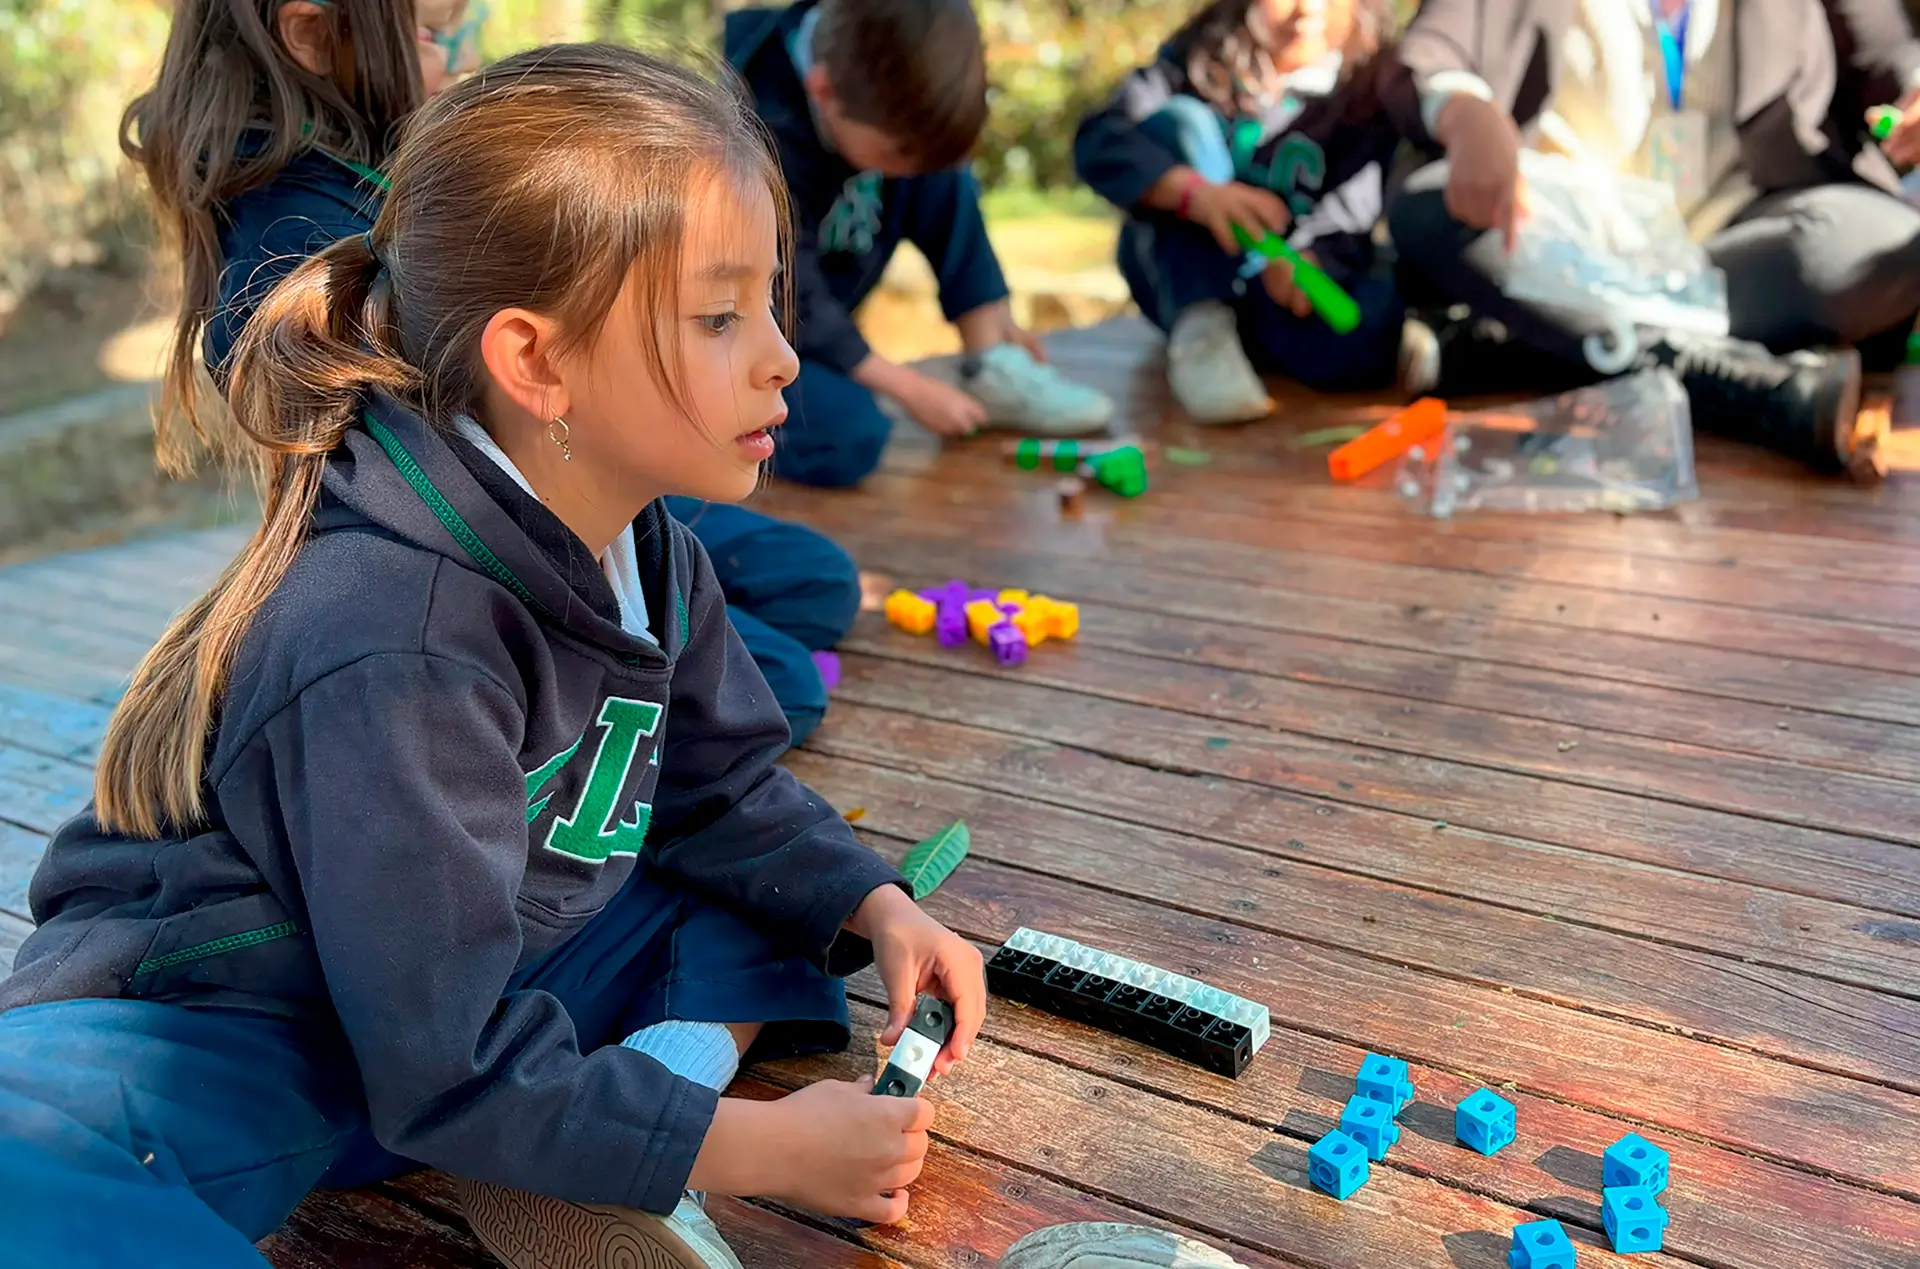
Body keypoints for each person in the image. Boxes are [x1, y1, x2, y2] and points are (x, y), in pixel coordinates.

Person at [0, 44, 987, 1269]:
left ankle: (606, 1133)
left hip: (473, 976)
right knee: (28, 1171)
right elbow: (436, 1058)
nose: (783, 355)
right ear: (538, 363)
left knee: (763, 890)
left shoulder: (652, 548)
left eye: (772, 304)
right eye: (723, 317)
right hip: (246, 1025)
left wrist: (872, 901)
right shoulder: (393, 637)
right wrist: (747, 1147)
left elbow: (723, 789)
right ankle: (600, 1133)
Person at [124, 0, 858, 744]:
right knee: (780, 686)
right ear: (312, 34)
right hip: (485, 536)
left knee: (815, 584)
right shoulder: (285, 240)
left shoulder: (375, 153)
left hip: (565, 480)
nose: (455, 59)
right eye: (433, 37)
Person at [1390, 0, 1920, 476]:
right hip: (1570, 237)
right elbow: (1432, 48)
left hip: (1738, 238)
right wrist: (1465, 113)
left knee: (1883, 247)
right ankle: (1720, 380)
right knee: (1429, 202)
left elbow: (1891, 56)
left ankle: (1534, 344)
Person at [725, 0, 1116, 488]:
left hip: (827, 314)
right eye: (893, 155)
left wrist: (996, 313)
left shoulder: (874, 97)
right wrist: (907, 387)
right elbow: (787, 291)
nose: (911, 175)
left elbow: (928, 166)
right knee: (850, 437)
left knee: (938, 158)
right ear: (820, 89)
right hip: (754, 335)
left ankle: (989, 360)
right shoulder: (748, 121)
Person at [1074, 0, 1438, 423]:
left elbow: (1354, 199)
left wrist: (1317, 252)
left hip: (1276, 273)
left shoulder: (1364, 90)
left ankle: (1256, 343)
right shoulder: (1197, 59)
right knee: (1180, 123)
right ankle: (1203, 332)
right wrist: (1195, 193)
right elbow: (1101, 136)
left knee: (1362, 334)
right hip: (1183, 269)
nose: (1309, 10)